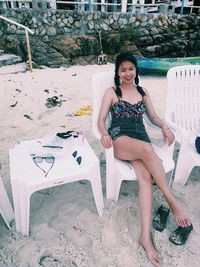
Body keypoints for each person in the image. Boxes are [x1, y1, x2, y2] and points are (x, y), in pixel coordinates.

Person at [97, 52, 192, 267]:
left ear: (136, 70)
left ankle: (145, 238)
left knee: (146, 178)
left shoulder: (143, 92)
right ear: (117, 72)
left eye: (131, 68)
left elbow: (154, 117)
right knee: (148, 150)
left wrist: (165, 127)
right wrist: (103, 133)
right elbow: (101, 119)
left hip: (140, 139)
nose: (127, 73)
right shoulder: (112, 92)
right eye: (123, 70)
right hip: (120, 138)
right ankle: (172, 202)